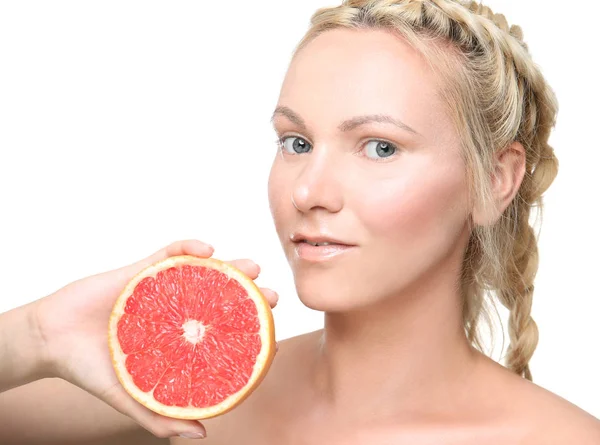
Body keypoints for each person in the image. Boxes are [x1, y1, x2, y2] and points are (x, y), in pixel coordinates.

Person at [1, 0, 599, 444]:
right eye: (295, 142)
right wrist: (37, 335)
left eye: (380, 147)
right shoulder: (190, 401)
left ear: (495, 180)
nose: (309, 191)